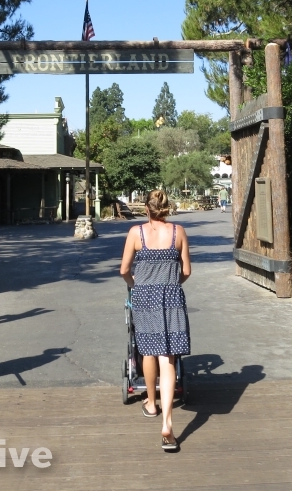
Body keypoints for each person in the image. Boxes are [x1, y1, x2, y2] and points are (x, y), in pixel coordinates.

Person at [120, 189, 191, 451]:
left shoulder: (136, 233)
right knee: (168, 358)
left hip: (145, 297)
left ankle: (152, 403)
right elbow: (186, 271)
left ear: (146, 209)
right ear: (167, 208)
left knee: (148, 352)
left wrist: (136, 285)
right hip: (171, 296)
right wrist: (171, 284)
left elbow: (124, 270)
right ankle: (168, 424)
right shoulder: (178, 232)